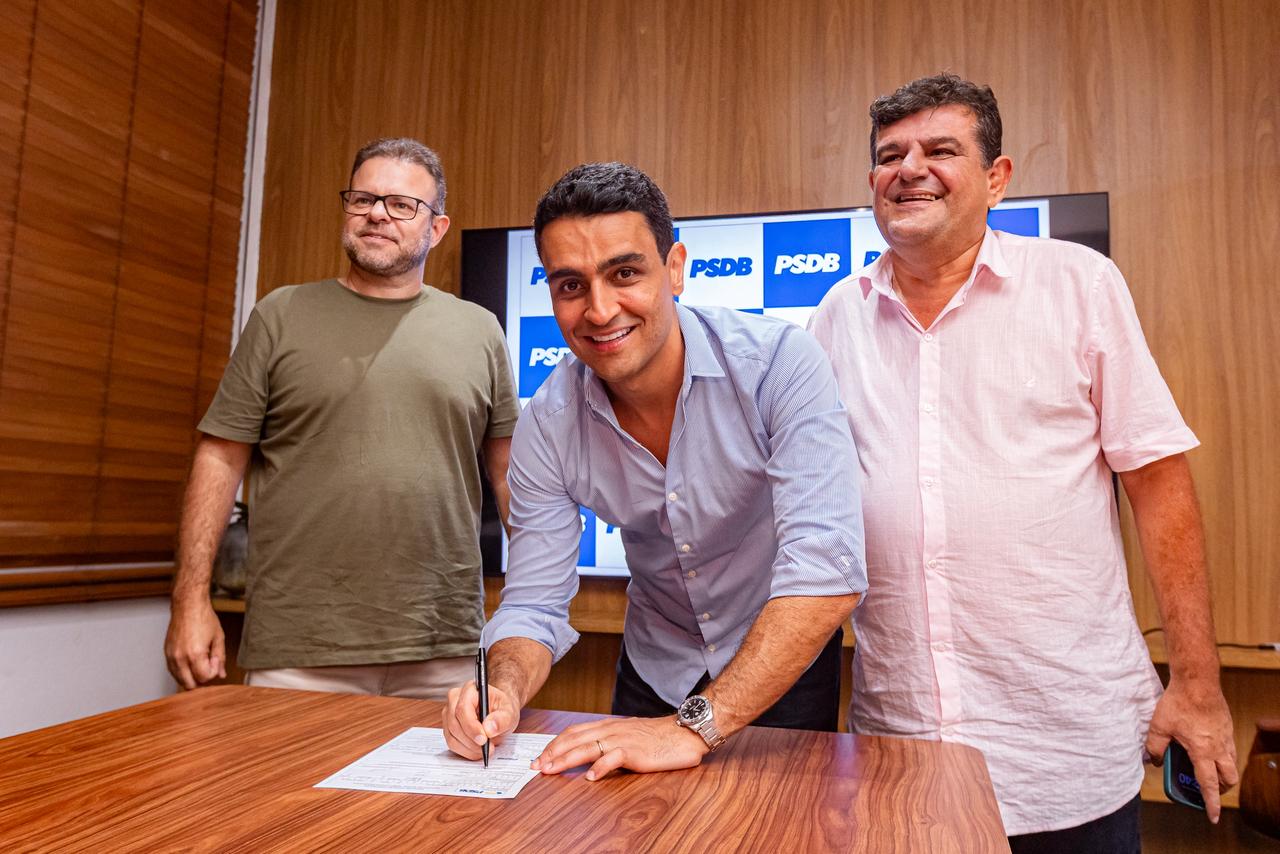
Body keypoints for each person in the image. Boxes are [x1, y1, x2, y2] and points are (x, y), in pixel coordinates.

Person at [808, 74, 1238, 849]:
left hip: (1065, 751)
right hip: (901, 745)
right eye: (890, 155)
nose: (909, 170)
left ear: (997, 178)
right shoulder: (839, 314)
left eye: (941, 150)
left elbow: (1160, 485)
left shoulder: (1078, 284)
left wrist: (1198, 684)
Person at [443, 162, 866, 778]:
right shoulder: (548, 423)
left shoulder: (779, 363)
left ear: (675, 268)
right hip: (654, 665)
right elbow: (533, 603)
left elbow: (827, 566)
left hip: (779, 661)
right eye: (570, 285)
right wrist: (501, 689)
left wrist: (693, 728)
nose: (599, 310)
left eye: (625, 273)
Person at [163, 137, 519, 700]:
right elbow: (220, 457)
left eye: (401, 204)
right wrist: (189, 601)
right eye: (363, 199)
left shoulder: (480, 330)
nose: (377, 213)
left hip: (444, 647)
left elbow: (510, 477)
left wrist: (529, 616)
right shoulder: (280, 315)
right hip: (300, 647)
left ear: (437, 228)